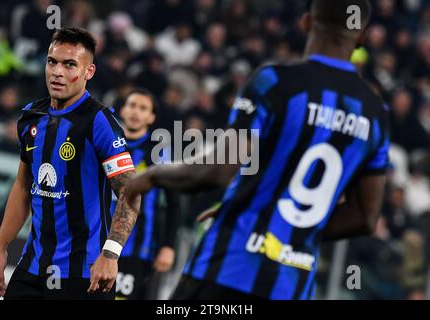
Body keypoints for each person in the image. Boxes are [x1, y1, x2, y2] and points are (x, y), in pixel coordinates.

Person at [124, 0, 390, 300]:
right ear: (363, 37)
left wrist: (153, 175)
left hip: (230, 267)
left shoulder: (275, 82)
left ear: (305, 23)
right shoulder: (375, 113)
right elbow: (365, 217)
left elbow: (218, 170)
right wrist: (283, 227)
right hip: (292, 286)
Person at [0, 27, 141, 300]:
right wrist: (0, 247)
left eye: (69, 64)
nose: (57, 72)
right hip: (32, 268)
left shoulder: (100, 122)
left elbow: (130, 193)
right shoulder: (30, 117)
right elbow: (23, 187)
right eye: (52, 62)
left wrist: (110, 254)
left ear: (88, 72)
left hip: (84, 274)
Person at [114, 88, 179, 299]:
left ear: (151, 117)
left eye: (143, 108)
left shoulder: (159, 152)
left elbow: (173, 203)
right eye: (132, 105)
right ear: (123, 110)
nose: (136, 112)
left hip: (138, 249)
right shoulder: (106, 143)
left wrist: (168, 246)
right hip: (94, 243)